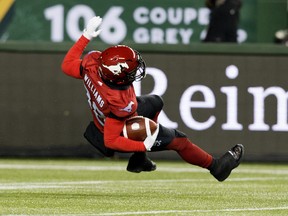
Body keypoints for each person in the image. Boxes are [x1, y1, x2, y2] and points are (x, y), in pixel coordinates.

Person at [61, 16, 244, 182]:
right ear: (117, 76)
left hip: (105, 119)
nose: (136, 72)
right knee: (180, 141)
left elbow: (67, 65)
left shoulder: (93, 64)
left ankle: (138, 162)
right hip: (114, 129)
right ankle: (216, 167)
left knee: (155, 102)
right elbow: (111, 141)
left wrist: (86, 35)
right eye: (131, 71)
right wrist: (142, 145)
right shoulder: (118, 100)